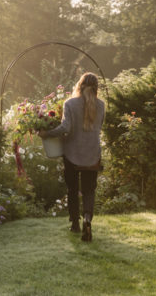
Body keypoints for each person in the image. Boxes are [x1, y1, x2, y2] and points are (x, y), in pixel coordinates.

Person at [39, 72, 105, 242]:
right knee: (89, 190)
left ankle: (75, 224)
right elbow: (99, 128)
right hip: (92, 153)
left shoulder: (70, 103)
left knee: (73, 190)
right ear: (97, 88)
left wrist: (48, 134)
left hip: (72, 153)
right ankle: (87, 219)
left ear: (79, 86)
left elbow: (65, 128)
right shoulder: (102, 106)